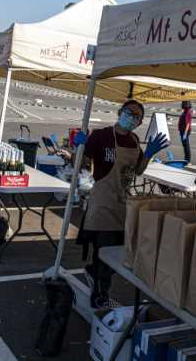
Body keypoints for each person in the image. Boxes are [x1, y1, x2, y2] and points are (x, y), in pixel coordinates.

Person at [73, 99, 168, 307]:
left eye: (136, 116)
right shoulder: (101, 136)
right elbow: (81, 165)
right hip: (102, 202)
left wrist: (149, 154)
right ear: (119, 111)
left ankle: (93, 274)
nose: (131, 118)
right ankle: (100, 296)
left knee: (116, 253)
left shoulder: (134, 140)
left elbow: (138, 171)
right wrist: (79, 148)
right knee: (103, 250)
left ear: (140, 122)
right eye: (128, 112)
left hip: (122, 203)